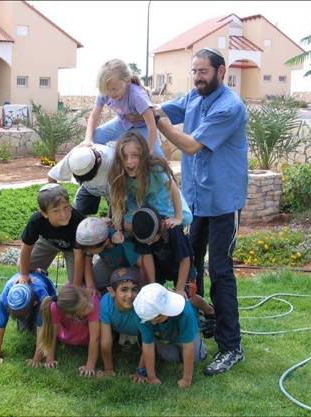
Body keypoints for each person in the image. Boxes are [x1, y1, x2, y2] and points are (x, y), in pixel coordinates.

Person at [153, 47, 248, 376]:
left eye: (203, 72)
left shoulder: (230, 107)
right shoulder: (194, 96)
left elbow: (191, 145)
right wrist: (136, 103)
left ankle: (231, 347)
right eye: (194, 71)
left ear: (221, 72)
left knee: (220, 270)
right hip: (197, 202)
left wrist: (160, 123)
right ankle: (204, 320)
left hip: (223, 201)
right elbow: (158, 109)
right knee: (191, 265)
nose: (197, 78)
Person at [131, 206, 216, 338]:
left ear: (161, 225)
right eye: (146, 242)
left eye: (152, 239)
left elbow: (185, 260)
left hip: (181, 265)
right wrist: (152, 285)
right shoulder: (142, 230)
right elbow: (147, 257)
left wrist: (180, 289)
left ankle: (209, 310)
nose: (150, 243)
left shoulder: (173, 229)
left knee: (188, 296)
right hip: (160, 265)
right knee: (153, 295)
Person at [108, 130, 192, 243]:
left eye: (134, 155)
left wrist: (178, 217)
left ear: (143, 155)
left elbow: (173, 188)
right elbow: (115, 201)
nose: (129, 161)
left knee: (181, 220)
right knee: (131, 225)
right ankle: (151, 234)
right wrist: (118, 230)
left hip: (161, 199)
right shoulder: (118, 173)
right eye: (124, 156)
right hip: (140, 201)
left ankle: (156, 234)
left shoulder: (155, 168)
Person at [82, 58, 163, 156]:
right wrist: (88, 139)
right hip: (121, 123)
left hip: (142, 127)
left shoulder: (137, 95)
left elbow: (151, 124)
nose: (111, 94)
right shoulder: (105, 92)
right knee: (94, 138)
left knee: (157, 155)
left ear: (127, 81)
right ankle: (115, 158)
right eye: (107, 89)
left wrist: (150, 150)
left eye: (114, 89)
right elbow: (93, 117)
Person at [133, 283, 206, 388]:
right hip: (164, 337)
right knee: (171, 358)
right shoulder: (141, 314)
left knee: (197, 358)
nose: (154, 322)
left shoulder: (186, 312)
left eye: (159, 317)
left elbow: (188, 345)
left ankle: (200, 318)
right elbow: (147, 344)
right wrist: (151, 377)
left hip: (184, 331)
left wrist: (187, 379)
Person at [17, 183, 87, 288]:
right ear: (44, 213)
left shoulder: (78, 221)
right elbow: (27, 247)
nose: (64, 214)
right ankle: (40, 273)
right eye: (56, 211)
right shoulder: (36, 220)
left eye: (66, 207)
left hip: (71, 248)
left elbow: (78, 254)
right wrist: (24, 274)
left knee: (78, 279)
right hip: (47, 241)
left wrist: (75, 286)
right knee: (23, 266)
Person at [0, 271, 57, 368]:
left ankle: (32, 318)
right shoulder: (4, 298)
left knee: (41, 323)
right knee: (24, 328)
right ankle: (26, 320)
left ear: (34, 304)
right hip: (30, 303)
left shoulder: (42, 297)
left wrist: (36, 359)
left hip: (47, 297)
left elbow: (42, 328)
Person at [39, 285, 100, 376]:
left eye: (86, 300)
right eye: (84, 308)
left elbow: (95, 338)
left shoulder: (92, 301)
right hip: (67, 337)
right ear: (71, 315)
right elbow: (52, 333)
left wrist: (90, 365)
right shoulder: (55, 307)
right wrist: (49, 359)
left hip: (86, 339)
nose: (90, 306)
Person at [98, 267, 144, 378]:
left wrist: (140, 372)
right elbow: (105, 341)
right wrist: (108, 369)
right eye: (124, 290)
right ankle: (121, 339)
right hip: (117, 328)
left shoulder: (142, 306)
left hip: (141, 333)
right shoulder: (106, 302)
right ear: (112, 292)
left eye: (134, 289)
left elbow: (149, 343)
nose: (130, 295)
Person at [75, 217, 141, 293]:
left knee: (123, 286)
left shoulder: (123, 242)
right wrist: (91, 286)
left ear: (106, 242)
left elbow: (139, 264)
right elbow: (88, 260)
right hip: (108, 263)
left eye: (88, 249)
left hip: (129, 266)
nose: (86, 251)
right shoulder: (95, 241)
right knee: (93, 283)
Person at [47, 143, 115, 216]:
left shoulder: (113, 161)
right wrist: (59, 202)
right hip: (89, 188)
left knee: (117, 219)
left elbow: (118, 198)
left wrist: (114, 217)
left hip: (114, 189)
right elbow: (51, 176)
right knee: (77, 215)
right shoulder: (75, 156)